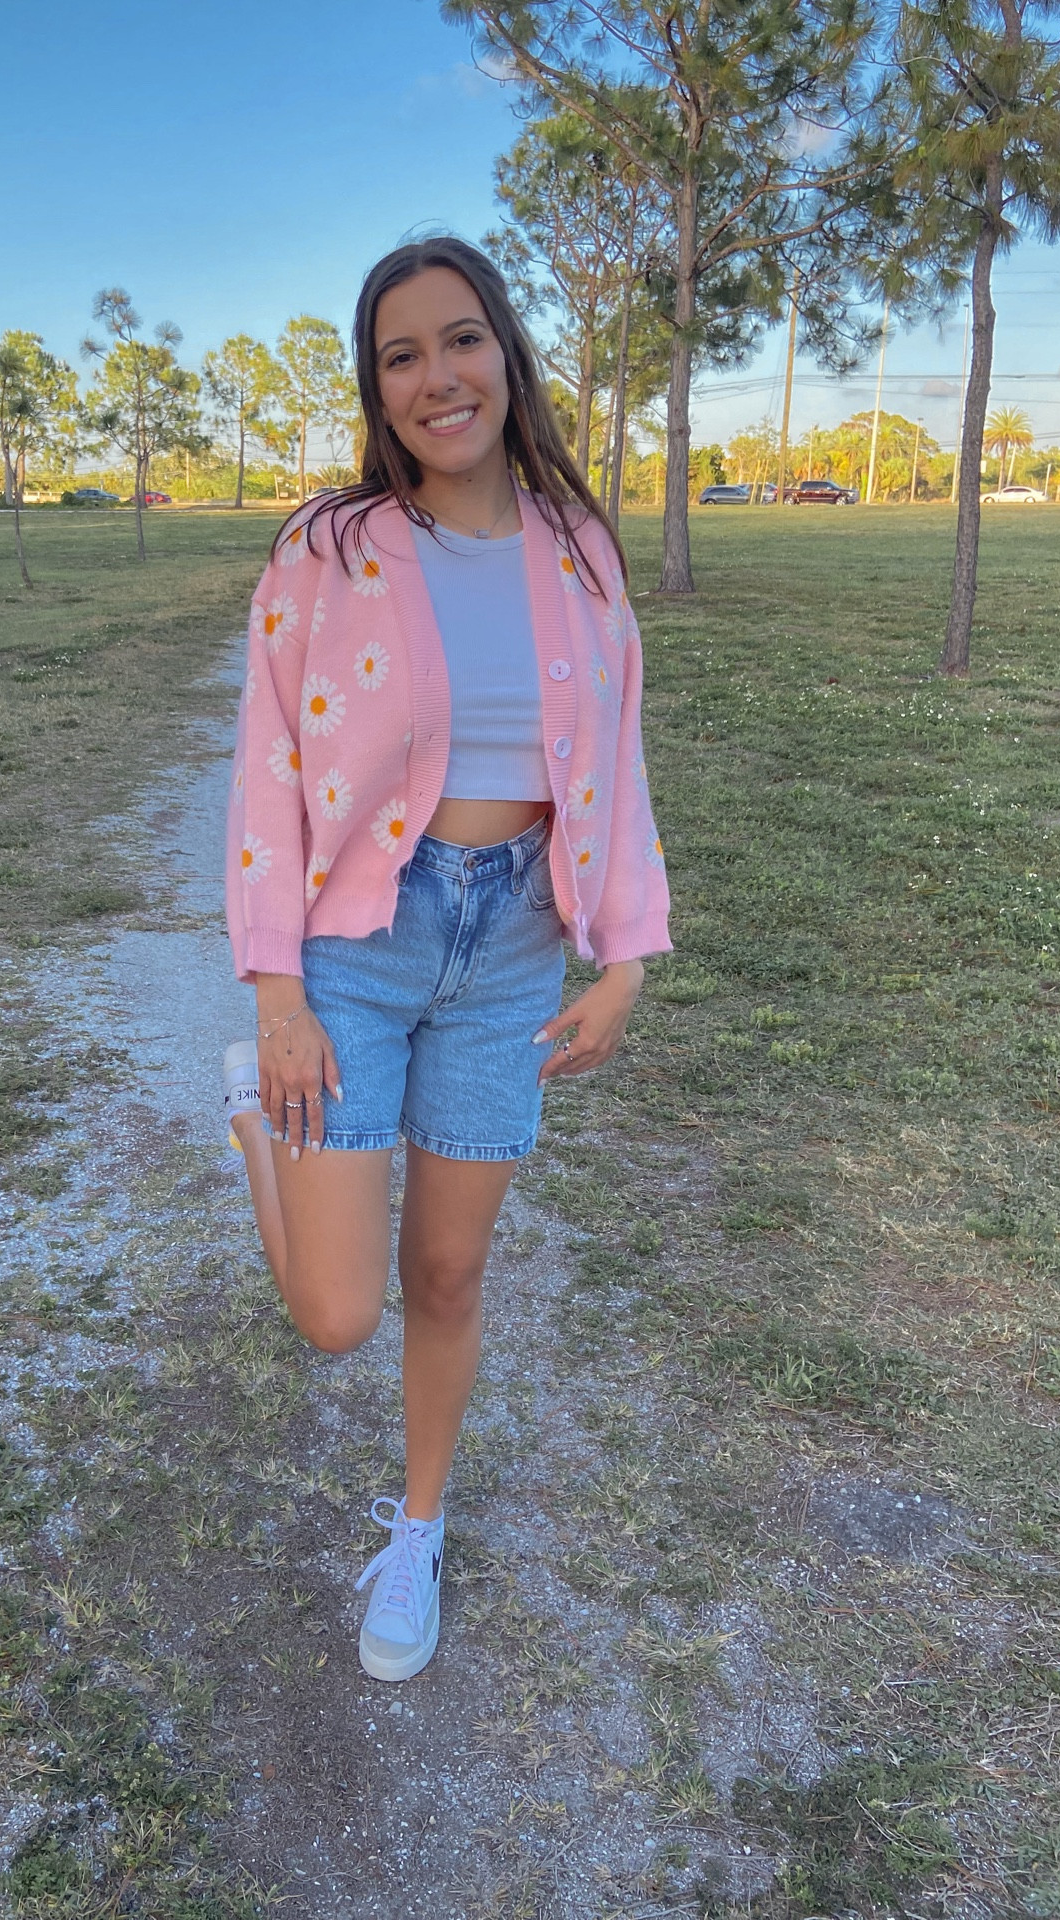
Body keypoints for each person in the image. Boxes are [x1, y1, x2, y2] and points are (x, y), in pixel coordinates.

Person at [221, 236, 671, 1682]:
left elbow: (618, 757)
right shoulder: (329, 548)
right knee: (340, 1314)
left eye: (460, 339)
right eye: (401, 354)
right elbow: (267, 774)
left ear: (506, 354)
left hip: (515, 946)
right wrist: (275, 992)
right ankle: (255, 1108)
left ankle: (414, 1531)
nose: (437, 376)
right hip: (360, 943)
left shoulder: (581, 548)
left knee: (450, 1274)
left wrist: (625, 955)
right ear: (377, 387)